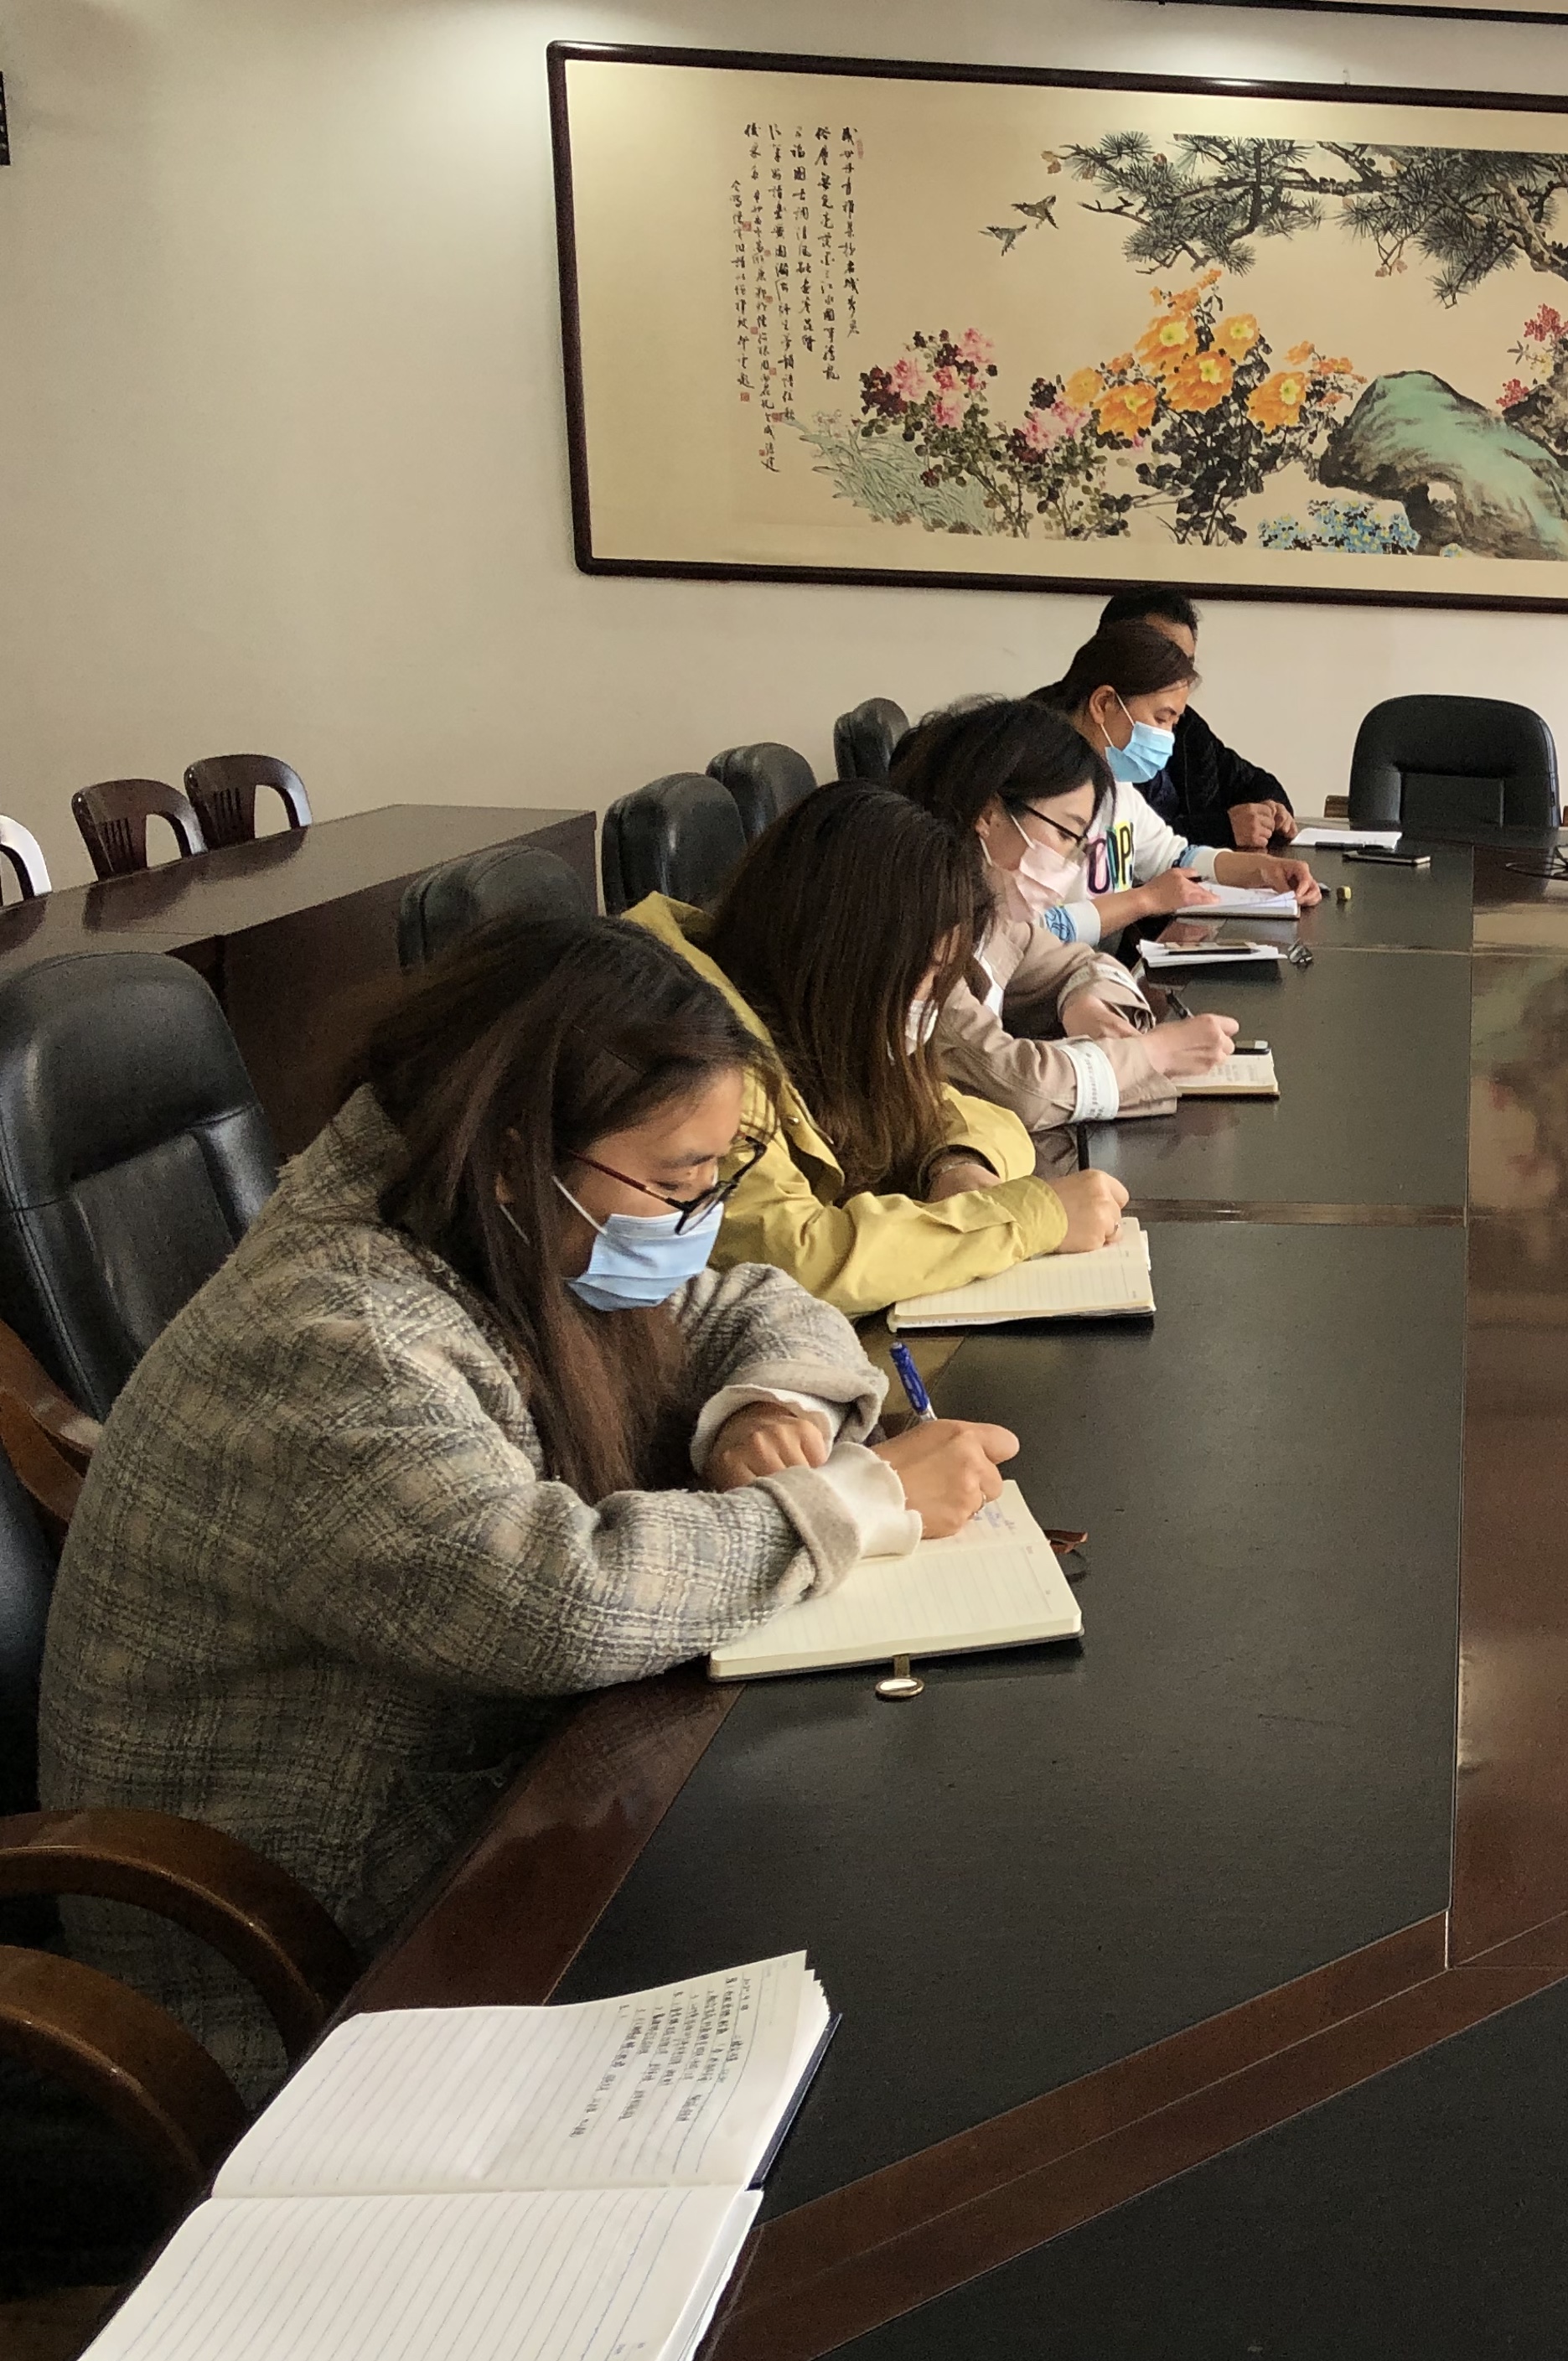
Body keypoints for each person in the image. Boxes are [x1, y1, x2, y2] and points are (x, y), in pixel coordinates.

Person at [38, 918, 1019, 2096]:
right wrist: (855, 1498)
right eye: (675, 1183)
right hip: (300, 1973)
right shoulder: (340, 1334)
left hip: (477, 1826)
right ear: (517, 1154)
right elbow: (551, 1600)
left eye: (712, 1179)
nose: (696, 1218)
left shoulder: (491, 1220)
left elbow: (748, 1301)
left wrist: (762, 1407)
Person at [625, 780, 1135, 1316]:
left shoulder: (819, 1018)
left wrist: (956, 1164)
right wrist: (1030, 1218)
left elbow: (972, 1114)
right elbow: (794, 1261)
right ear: (843, 951)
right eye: (927, 972)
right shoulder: (690, 1048)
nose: (931, 999)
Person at [883, 698, 1239, 1139]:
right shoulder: (920, 930)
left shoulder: (988, 912)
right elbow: (1022, 1090)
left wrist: (1083, 1004)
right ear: (987, 814)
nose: (1071, 865)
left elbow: (1082, 962)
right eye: (1065, 834)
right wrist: (1154, 1054)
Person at [1030, 620, 1318, 940]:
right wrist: (1145, 900)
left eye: (1173, 723)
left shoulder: (1114, 784)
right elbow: (1026, 928)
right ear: (1104, 704)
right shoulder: (1035, 794)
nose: (1168, 737)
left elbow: (1175, 856)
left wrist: (1264, 870)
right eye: (1161, 718)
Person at [1096, 582, 1297, 855]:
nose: (1181, 679)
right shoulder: (1056, 739)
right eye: (1165, 660)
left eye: (1187, 664)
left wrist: (1271, 809)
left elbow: (1251, 782)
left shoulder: (1187, 727)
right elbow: (1127, 842)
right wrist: (1221, 828)